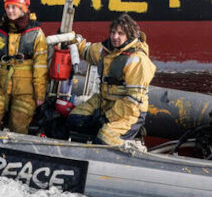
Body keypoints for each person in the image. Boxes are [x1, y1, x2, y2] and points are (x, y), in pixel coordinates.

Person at [66, 13, 156, 146]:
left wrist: (107, 117)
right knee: (75, 119)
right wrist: (73, 40)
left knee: (105, 138)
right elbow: (87, 51)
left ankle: (131, 147)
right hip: (105, 102)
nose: (115, 37)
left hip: (129, 113)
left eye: (120, 33)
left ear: (129, 35)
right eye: (113, 32)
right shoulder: (105, 50)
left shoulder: (137, 59)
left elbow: (133, 101)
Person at [0, 0, 48, 134]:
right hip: (0, 86)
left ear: (24, 9)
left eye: (15, 7)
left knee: (19, 123)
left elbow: (40, 67)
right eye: (8, 7)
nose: (10, 11)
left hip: (26, 90)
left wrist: (40, 94)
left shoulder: (36, 34)